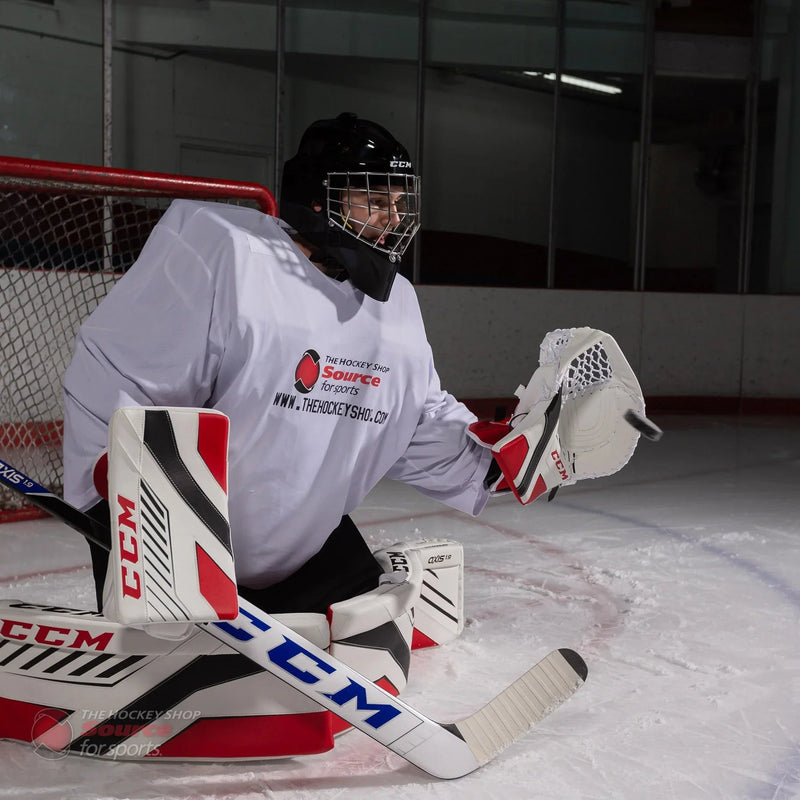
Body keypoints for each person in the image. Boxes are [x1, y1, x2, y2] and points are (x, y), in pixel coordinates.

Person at [62, 112, 496, 615]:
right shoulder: (226, 253)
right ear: (318, 199)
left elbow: (415, 417)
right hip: (169, 540)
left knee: (373, 631)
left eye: (397, 203)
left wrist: (498, 460)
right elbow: (126, 377)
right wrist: (124, 493)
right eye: (375, 201)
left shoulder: (396, 303)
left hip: (299, 548)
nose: (393, 219)